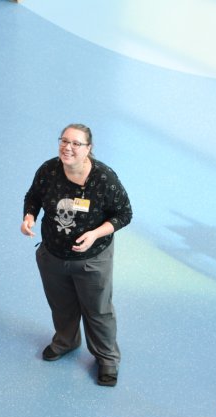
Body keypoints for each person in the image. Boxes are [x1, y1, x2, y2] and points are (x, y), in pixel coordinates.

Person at [21, 124, 132, 386]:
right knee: (62, 305)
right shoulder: (49, 170)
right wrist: (29, 217)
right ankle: (66, 341)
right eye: (64, 141)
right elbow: (33, 196)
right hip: (53, 255)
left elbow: (124, 214)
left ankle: (107, 358)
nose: (67, 148)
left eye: (76, 144)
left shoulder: (104, 179)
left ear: (88, 149)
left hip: (92, 259)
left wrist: (95, 234)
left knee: (98, 310)